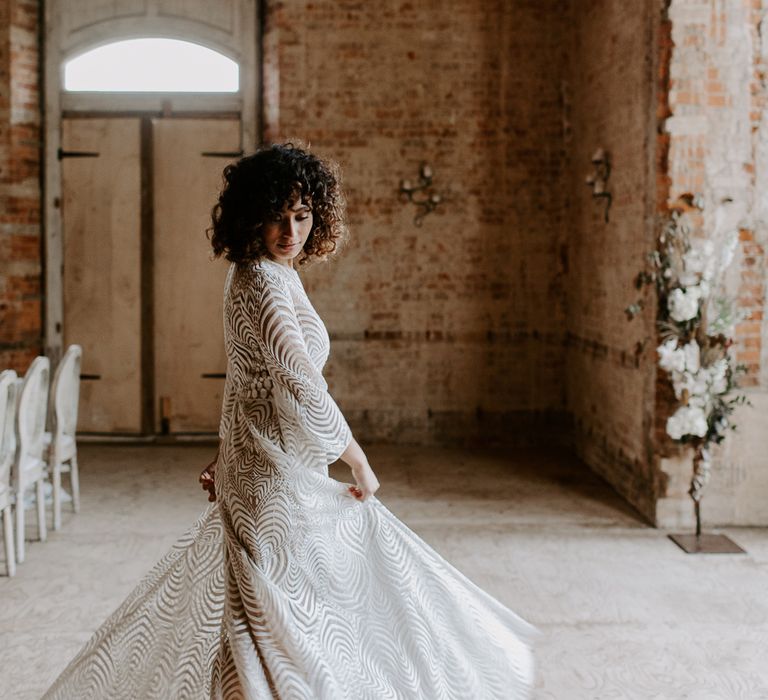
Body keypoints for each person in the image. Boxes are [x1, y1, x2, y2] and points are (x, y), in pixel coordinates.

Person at [43, 143, 538, 699]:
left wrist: (223, 451)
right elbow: (299, 381)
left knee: (269, 616)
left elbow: (243, 380)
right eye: (277, 214)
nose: (290, 229)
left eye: (302, 215)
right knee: (272, 617)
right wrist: (358, 458)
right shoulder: (260, 279)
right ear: (251, 214)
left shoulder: (268, 274)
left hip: (267, 464)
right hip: (272, 483)